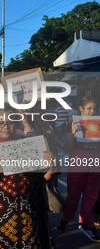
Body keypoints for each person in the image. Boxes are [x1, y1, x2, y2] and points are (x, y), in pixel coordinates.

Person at [0, 106, 56, 248]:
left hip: (27, 215)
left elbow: (40, 179)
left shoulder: (27, 144)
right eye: (0, 123)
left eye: (10, 122)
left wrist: (51, 166)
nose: (5, 126)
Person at [57, 97, 100, 242]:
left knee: (92, 194)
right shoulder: (73, 123)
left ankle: (87, 223)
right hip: (78, 159)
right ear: (81, 109)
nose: (92, 111)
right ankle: (65, 219)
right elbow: (67, 147)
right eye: (89, 108)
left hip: (95, 160)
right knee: (74, 194)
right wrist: (73, 134)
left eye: (94, 108)